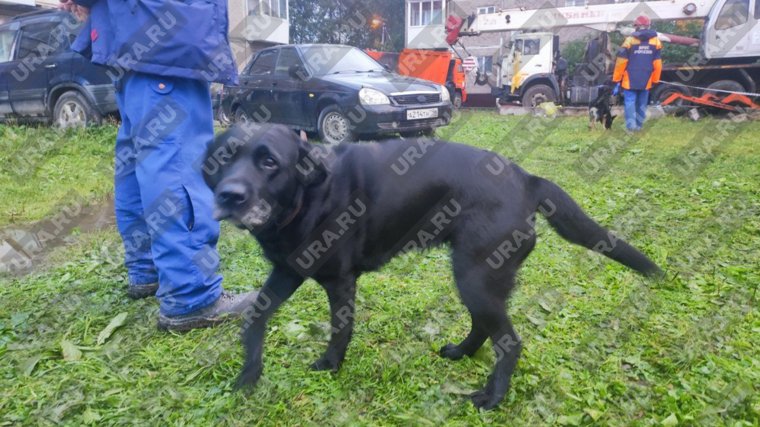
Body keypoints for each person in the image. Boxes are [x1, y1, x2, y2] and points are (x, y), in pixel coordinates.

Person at [60, 0, 257, 331]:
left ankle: (147, 269)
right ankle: (190, 293)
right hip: (167, 35)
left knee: (141, 154)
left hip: (135, 36)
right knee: (177, 156)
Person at [612, 15, 662, 132]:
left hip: (630, 79)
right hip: (646, 79)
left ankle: (631, 128)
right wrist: (655, 79)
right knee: (642, 104)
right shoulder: (656, 42)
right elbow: (657, 64)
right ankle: (639, 127)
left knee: (630, 102)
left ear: (636, 26)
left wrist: (616, 78)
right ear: (649, 26)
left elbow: (621, 62)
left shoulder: (629, 41)